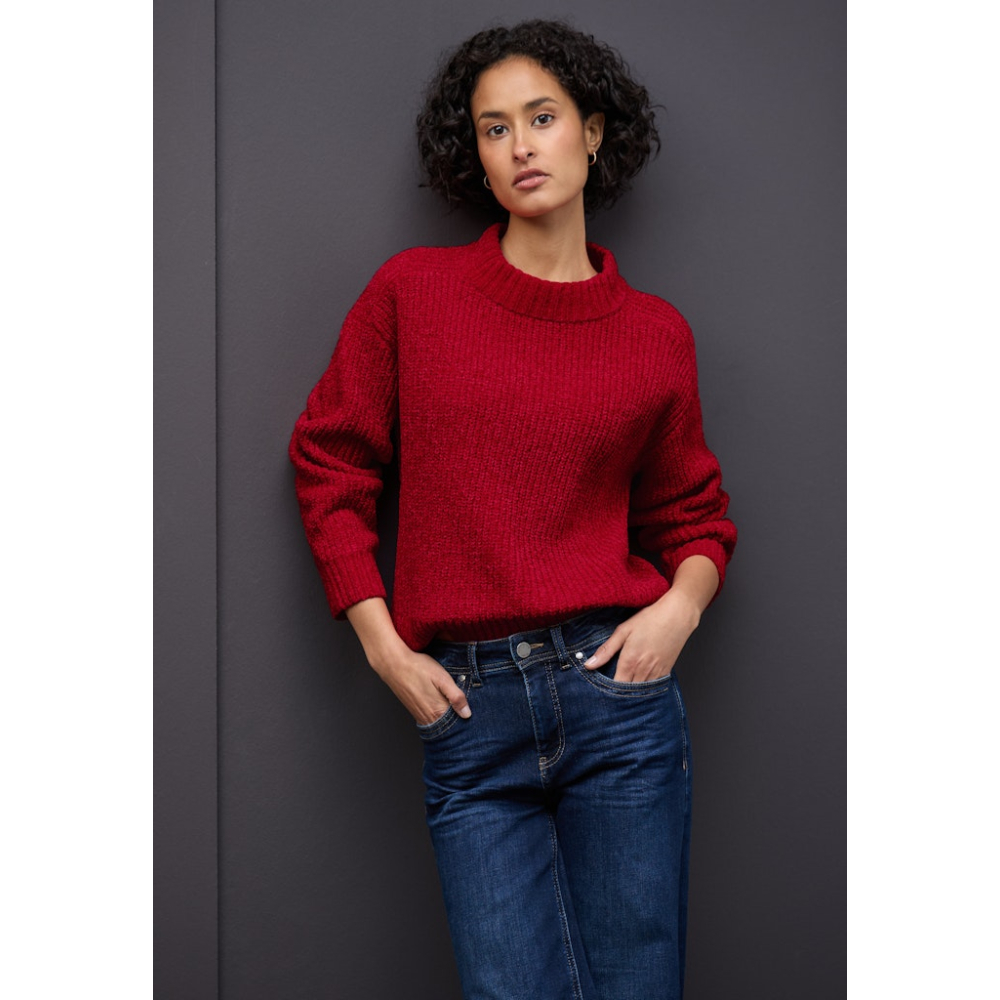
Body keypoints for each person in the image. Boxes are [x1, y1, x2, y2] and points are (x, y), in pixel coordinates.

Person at [289, 19, 736, 1000]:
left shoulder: (654, 335)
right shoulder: (413, 294)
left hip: (616, 704)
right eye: (495, 129)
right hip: (467, 708)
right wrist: (382, 648)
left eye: (542, 117)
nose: (521, 146)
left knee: (637, 987)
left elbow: (693, 515)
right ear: (477, 156)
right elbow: (328, 461)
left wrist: (678, 609)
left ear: (594, 132)